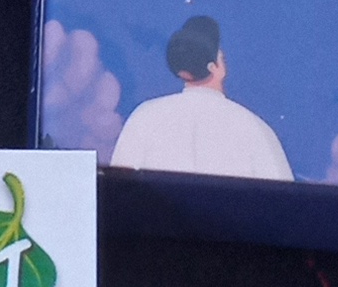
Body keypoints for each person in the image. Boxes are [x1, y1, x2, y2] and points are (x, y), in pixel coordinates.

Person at [109, 12, 292, 182]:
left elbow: (118, 189)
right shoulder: (253, 128)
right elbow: (282, 198)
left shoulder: (144, 117)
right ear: (217, 64)